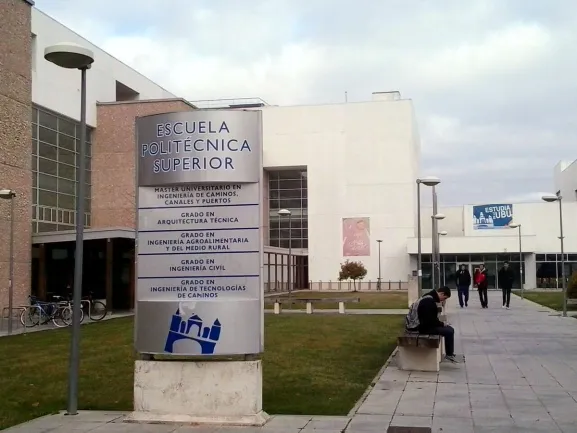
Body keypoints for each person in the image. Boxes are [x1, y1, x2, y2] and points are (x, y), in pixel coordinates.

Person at [405, 286, 459, 363]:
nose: (443, 300)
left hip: (420, 325)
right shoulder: (429, 301)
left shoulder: (428, 297)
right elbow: (430, 321)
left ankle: (449, 354)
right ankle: (449, 354)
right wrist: (442, 324)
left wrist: (441, 324)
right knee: (449, 331)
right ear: (442, 294)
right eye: (444, 298)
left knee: (449, 329)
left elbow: (430, 319)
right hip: (419, 328)